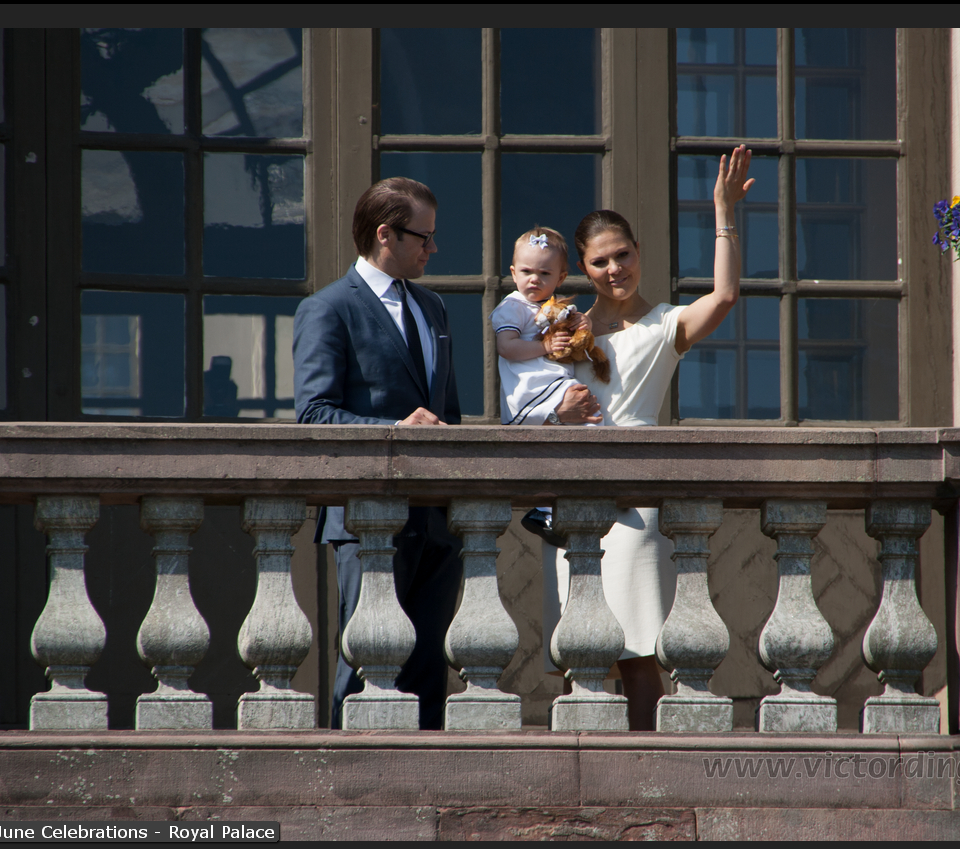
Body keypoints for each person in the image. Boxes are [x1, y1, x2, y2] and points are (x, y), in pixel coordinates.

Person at [292, 177, 599, 730]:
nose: (434, 248)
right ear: (385, 234)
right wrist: (395, 428)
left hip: (438, 519)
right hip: (368, 518)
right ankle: (348, 773)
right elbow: (314, 416)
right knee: (367, 666)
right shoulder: (327, 308)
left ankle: (426, 770)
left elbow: (448, 415)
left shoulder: (432, 307)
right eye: (423, 237)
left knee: (429, 669)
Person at [542, 145, 755, 730]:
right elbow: (529, 402)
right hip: (571, 497)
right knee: (579, 655)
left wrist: (724, 213)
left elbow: (725, 296)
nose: (615, 269)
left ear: (638, 252)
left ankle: (641, 764)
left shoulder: (665, 324)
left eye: (623, 255)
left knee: (637, 651)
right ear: (582, 268)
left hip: (637, 502)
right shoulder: (564, 331)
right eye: (600, 262)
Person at [491, 226, 603, 546]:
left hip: (550, 382)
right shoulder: (512, 306)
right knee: (587, 421)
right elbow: (506, 347)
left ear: (561, 277)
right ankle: (551, 507)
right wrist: (544, 346)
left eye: (544, 273)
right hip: (531, 388)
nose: (534, 279)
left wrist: (584, 323)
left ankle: (550, 508)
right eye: (526, 271)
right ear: (513, 273)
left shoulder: (553, 306)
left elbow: (577, 334)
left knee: (579, 435)